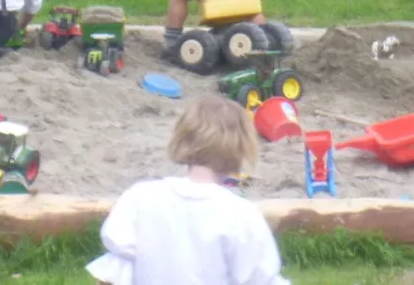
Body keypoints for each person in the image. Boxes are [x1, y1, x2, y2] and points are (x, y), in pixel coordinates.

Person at [87, 95, 289, 285]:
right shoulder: (241, 215)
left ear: (183, 138)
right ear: (240, 148)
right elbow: (260, 278)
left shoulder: (139, 198)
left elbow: (113, 274)